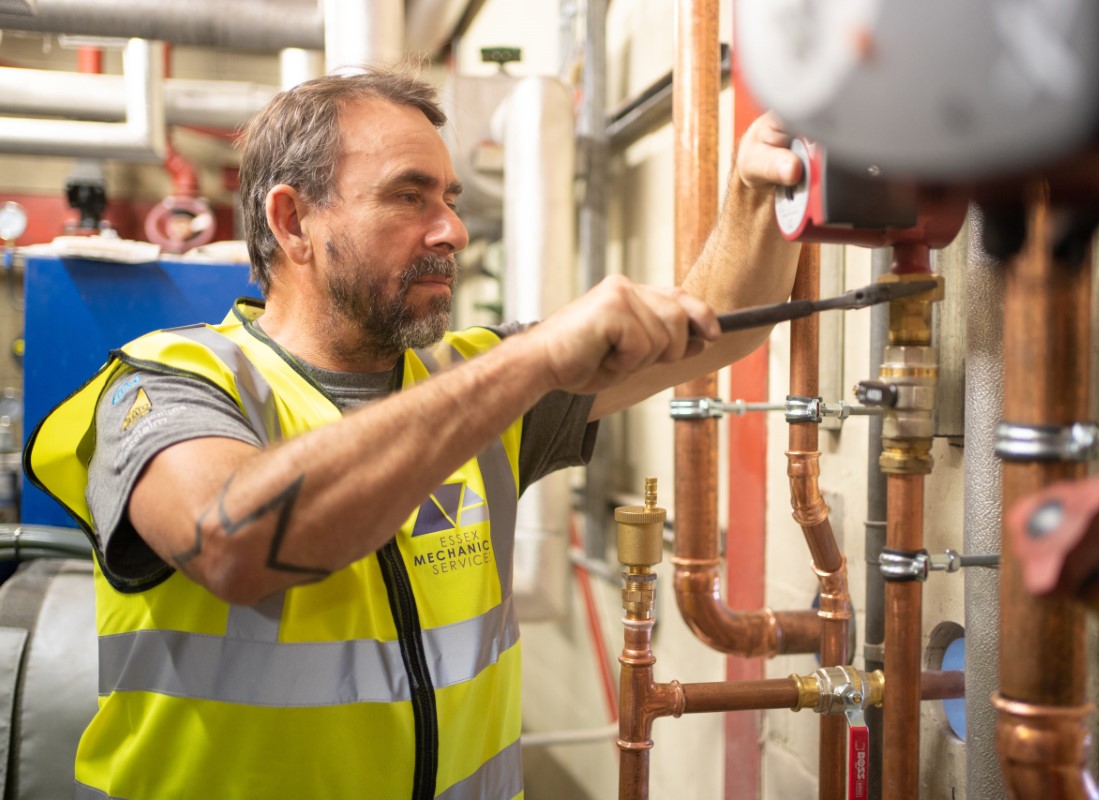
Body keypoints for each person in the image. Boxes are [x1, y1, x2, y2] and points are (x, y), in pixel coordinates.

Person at [26, 67, 803, 800]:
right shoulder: (169, 385)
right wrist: (526, 363)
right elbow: (232, 543)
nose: (454, 231)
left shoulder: (473, 376)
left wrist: (749, 194)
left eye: (452, 199)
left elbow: (712, 330)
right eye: (410, 197)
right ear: (293, 221)